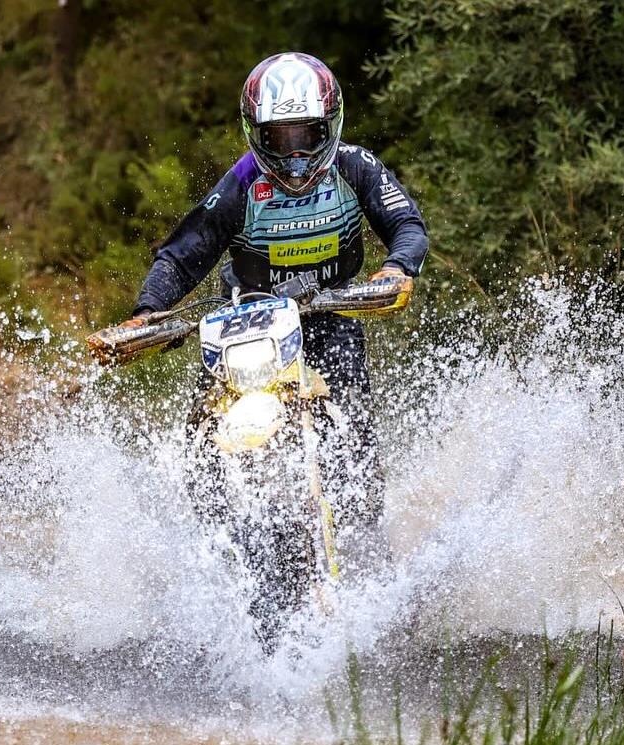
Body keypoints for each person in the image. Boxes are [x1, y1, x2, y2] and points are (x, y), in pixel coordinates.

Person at [125, 52, 430, 557]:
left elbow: (407, 225)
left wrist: (396, 268)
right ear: (255, 133)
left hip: (332, 314)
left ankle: (368, 547)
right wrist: (145, 311)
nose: (294, 153)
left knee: (353, 432)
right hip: (247, 323)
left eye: (305, 134)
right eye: (279, 137)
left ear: (329, 125)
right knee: (200, 434)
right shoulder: (242, 182)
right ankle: (211, 549)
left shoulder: (355, 167)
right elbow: (183, 255)